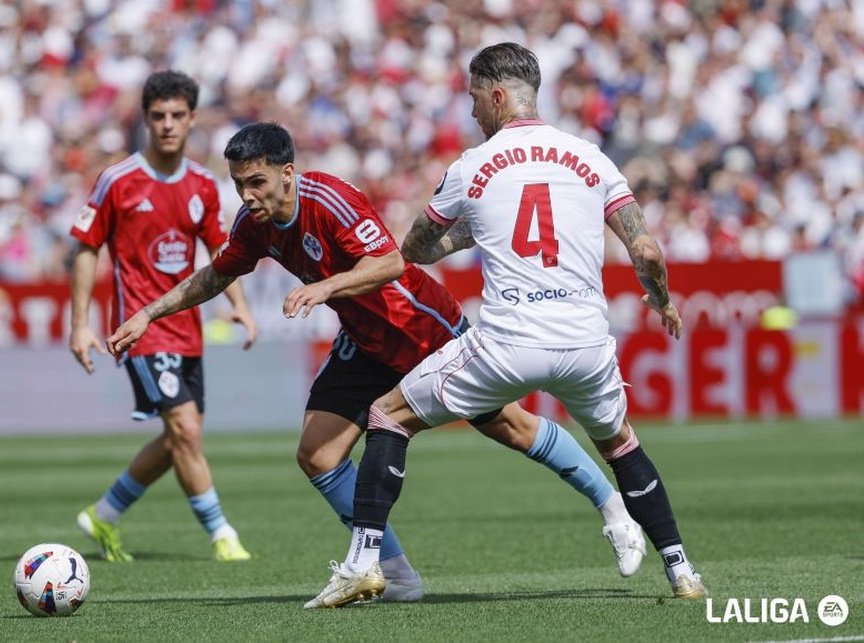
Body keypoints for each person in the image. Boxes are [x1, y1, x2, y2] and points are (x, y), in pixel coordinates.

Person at [107, 122, 647, 603]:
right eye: (239, 184)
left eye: (257, 182)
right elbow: (215, 275)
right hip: (364, 341)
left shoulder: (331, 199)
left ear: (287, 173)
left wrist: (326, 288)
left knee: (509, 426)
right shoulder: (255, 227)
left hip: (418, 327)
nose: (247, 195)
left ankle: (613, 508)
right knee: (317, 454)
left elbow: (391, 261)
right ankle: (390, 572)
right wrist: (148, 315)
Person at [307, 42, 708, 608]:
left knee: (387, 416)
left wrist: (474, 230)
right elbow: (646, 250)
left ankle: (364, 563)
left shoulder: (472, 167)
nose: (472, 112)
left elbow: (415, 249)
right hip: (586, 345)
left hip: (511, 342)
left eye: (474, 98)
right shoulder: (591, 157)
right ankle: (682, 571)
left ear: (497, 95)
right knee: (621, 446)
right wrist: (660, 299)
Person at [68, 70, 257, 564]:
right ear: (145, 120)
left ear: (192, 118)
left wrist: (240, 307)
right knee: (186, 432)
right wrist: (80, 323)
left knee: (178, 436)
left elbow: (222, 253)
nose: (168, 125)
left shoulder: (202, 184)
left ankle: (104, 515)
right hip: (139, 328)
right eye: (158, 116)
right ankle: (222, 534)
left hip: (186, 329)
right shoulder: (118, 180)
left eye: (177, 115)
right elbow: (86, 249)